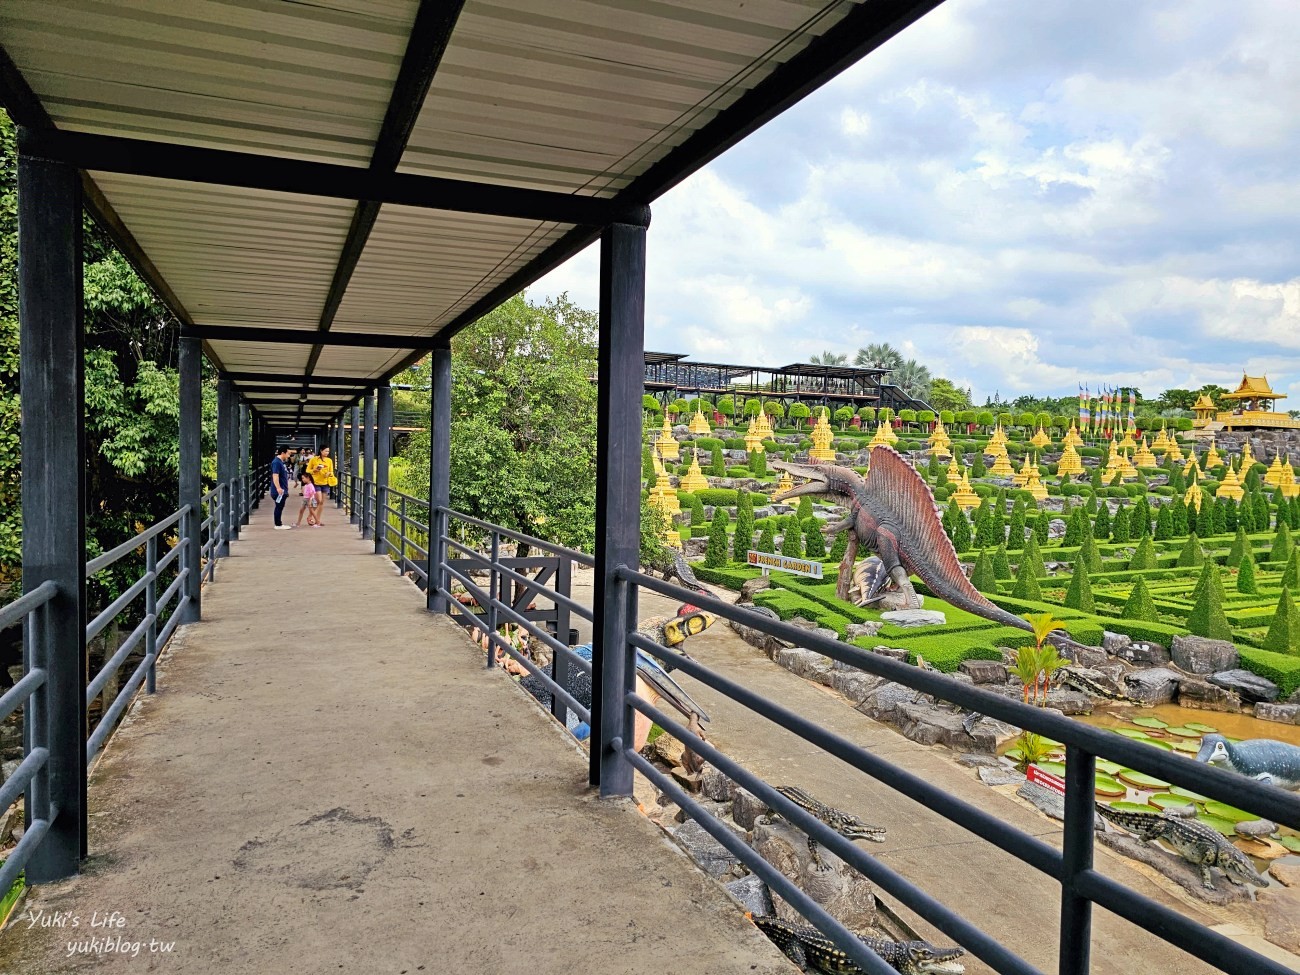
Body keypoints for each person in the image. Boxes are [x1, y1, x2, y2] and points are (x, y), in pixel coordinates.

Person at [306, 446, 334, 525]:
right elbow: (307, 470)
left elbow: (331, 471)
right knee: (318, 500)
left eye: (328, 451)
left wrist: (329, 473)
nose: (327, 453)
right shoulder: (314, 459)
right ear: (321, 451)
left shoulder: (329, 460)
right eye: (325, 451)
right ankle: (311, 517)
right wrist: (315, 470)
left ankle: (317, 519)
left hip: (325, 483)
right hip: (316, 482)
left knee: (321, 502)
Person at [270, 446, 292, 530]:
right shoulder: (276, 462)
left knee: (280, 506)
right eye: (288, 453)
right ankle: (278, 524)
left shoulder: (280, 462)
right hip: (279, 490)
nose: (289, 455)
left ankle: (278, 523)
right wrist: (278, 488)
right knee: (279, 506)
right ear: (283, 453)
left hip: (282, 489)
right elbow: (275, 476)